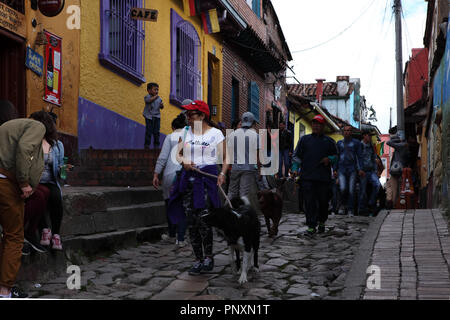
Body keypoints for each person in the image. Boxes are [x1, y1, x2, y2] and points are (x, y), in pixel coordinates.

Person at [168, 100, 227, 275]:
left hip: (207, 181)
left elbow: (226, 157)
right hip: (189, 180)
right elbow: (178, 154)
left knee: (204, 220)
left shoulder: (216, 134)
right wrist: (184, 161)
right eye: (187, 114)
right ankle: (197, 259)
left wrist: (222, 174)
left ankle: (208, 257)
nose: (187, 117)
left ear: (202, 116)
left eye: (191, 114)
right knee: (191, 221)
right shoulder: (185, 132)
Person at [0, 101, 47, 298]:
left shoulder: (6, 129)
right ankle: (5, 291)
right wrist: (24, 182)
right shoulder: (37, 126)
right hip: (7, 184)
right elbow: (24, 149)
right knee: (14, 237)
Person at [27, 111, 67, 251]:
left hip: (51, 181)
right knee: (39, 197)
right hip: (35, 181)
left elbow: (61, 169)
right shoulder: (32, 142)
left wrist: (63, 170)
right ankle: (44, 230)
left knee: (56, 197)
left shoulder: (57, 145)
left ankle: (56, 234)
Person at [291, 115, 337, 236]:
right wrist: (295, 169)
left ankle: (322, 222)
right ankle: (311, 226)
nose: (316, 126)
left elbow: (337, 157)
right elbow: (296, 156)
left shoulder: (329, 141)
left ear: (323, 126)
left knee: (323, 202)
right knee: (309, 202)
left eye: (319, 124)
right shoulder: (304, 140)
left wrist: (330, 159)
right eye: (314, 123)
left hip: (323, 178)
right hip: (307, 177)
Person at [153, 114, 188, 247]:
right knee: (181, 206)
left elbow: (163, 157)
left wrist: (156, 174)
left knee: (169, 205)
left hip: (168, 175)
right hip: (182, 174)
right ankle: (181, 238)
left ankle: (172, 234)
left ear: (173, 127)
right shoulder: (189, 137)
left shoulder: (169, 137)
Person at [226, 112, 260, 200]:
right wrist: (259, 170)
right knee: (243, 194)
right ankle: (245, 212)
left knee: (231, 192)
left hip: (235, 167)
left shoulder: (232, 134)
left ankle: (227, 210)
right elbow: (257, 156)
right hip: (248, 169)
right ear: (252, 123)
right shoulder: (256, 136)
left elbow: (228, 154)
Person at [335, 125, 363, 216]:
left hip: (352, 169)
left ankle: (350, 209)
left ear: (351, 132)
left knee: (351, 190)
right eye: (345, 130)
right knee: (343, 188)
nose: (347, 132)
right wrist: (335, 169)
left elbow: (359, 156)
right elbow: (337, 157)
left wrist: (360, 169)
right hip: (341, 168)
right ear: (343, 132)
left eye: (349, 130)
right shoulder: (339, 143)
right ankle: (343, 205)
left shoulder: (356, 143)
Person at [358, 131, 381, 216]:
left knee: (377, 184)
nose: (370, 137)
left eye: (370, 136)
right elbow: (357, 158)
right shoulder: (360, 146)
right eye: (369, 135)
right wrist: (359, 169)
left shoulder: (371, 146)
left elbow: (374, 158)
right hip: (363, 171)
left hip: (371, 171)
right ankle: (361, 209)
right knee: (362, 191)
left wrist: (376, 171)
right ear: (364, 136)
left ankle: (371, 202)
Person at [143, 82, 164, 149]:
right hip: (149, 117)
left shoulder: (159, 98)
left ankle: (156, 145)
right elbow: (148, 101)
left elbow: (162, 107)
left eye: (157, 90)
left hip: (157, 117)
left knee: (156, 132)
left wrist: (161, 105)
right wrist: (155, 97)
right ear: (149, 90)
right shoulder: (147, 96)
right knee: (149, 131)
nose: (157, 91)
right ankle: (147, 145)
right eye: (155, 89)